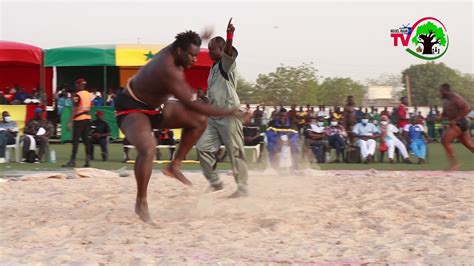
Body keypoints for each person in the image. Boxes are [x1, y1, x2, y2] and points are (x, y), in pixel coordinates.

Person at [114, 28, 236, 223]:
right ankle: (141, 202)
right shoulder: (168, 69)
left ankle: (174, 165)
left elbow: (182, 43)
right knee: (148, 148)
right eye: (192, 56)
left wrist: (199, 38)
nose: (195, 60)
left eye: (196, 55)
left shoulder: (176, 50)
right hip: (132, 108)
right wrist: (229, 112)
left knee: (199, 121)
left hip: (157, 108)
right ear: (179, 51)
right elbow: (192, 104)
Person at [196, 18, 249, 198]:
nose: (209, 51)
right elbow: (216, 93)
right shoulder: (213, 69)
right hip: (214, 117)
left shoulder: (226, 65)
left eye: (212, 49)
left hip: (230, 115)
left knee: (235, 152)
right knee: (202, 147)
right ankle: (215, 182)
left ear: (220, 50)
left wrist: (229, 36)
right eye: (209, 48)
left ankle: (242, 188)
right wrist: (204, 98)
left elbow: (228, 52)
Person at [439, 83, 474, 170]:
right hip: (457, 123)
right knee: (469, 145)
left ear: (446, 91)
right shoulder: (445, 100)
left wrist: (456, 120)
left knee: (445, 140)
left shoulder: (456, 98)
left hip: (461, 122)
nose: (440, 93)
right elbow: (446, 111)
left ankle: (455, 164)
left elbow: (467, 109)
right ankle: (454, 164)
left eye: (441, 91)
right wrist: (441, 117)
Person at [62, 79, 93, 168]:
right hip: (87, 118)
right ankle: (87, 160)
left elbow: (75, 108)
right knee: (86, 140)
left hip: (79, 119)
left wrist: (70, 121)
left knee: (75, 141)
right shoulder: (88, 94)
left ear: (79, 85)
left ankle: (73, 160)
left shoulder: (77, 95)